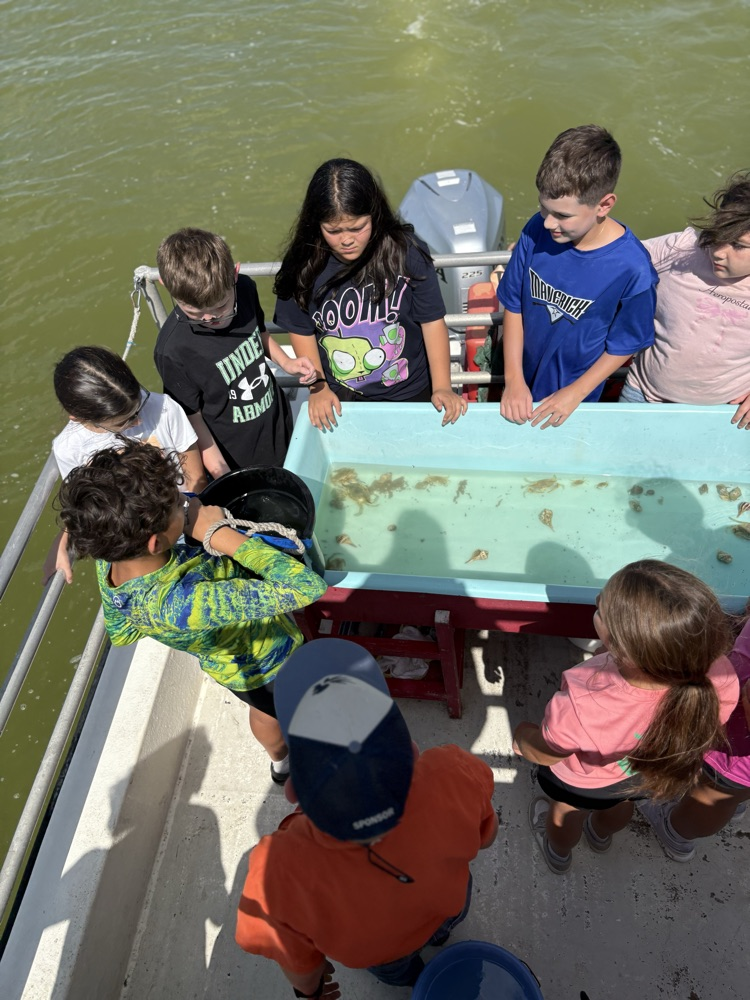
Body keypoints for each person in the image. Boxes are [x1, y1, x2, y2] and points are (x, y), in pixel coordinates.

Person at [235, 638, 497, 995]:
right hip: (448, 907)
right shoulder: (453, 770)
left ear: (293, 790)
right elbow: (486, 836)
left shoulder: (274, 870)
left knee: (400, 970)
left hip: (383, 954)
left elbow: (297, 961)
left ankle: (412, 979)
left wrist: (308, 992)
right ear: (412, 750)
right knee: (444, 924)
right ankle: (441, 935)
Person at [55, 441, 327, 781]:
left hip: (226, 668)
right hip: (269, 662)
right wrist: (218, 533)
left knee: (262, 710)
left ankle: (279, 761)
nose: (188, 507)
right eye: (179, 507)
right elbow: (307, 587)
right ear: (154, 541)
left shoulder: (110, 561)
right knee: (277, 712)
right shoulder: (180, 604)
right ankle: (284, 760)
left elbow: (121, 633)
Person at [512, 560, 739, 874]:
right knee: (621, 806)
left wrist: (523, 737)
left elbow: (547, 752)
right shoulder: (721, 675)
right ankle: (600, 835)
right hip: (644, 776)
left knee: (565, 813)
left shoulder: (582, 701)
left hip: (582, 782)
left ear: (623, 648)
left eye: (602, 610)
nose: (596, 603)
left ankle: (559, 852)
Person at [273, 158, 467, 431]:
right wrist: (318, 388)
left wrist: (443, 387)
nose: (347, 239)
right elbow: (301, 329)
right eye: (333, 230)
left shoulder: (407, 251)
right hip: (343, 398)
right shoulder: (302, 266)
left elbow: (431, 320)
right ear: (316, 224)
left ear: (375, 214)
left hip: (410, 391)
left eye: (357, 227)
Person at [496, 124, 658, 429]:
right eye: (544, 209)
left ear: (604, 205)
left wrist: (574, 394)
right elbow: (514, 305)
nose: (547, 223)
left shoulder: (633, 269)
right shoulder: (536, 229)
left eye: (563, 216)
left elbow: (625, 344)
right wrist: (514, 380)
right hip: (520, 376)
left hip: (574, 397)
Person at [154, 228, 316, 477]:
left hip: (278, 422)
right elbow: (193, 421)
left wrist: (287, 363)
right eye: (194, 312)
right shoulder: (172, 351)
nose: (209, 318)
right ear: (165, 285)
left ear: (235, 275)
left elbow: (259, 333)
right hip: (236, 456)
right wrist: (223, 474)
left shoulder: (246, 289)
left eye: (221, 306)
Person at [44, 345, 205, 585]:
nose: (139, 419)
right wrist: (64, 541)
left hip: (184, 522)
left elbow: (196, 478)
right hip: (133, 553)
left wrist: (187, 526)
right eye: (126, 421)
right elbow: (90, 505)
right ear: (77, 417)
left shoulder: (164, 408)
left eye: (139, 404)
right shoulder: (68, 448)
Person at [621, 171, 750, 427]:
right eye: (718, 235)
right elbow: (612, 256)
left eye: (737, 244)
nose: (719, 251)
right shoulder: (682, 249)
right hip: (642, 395)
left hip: (723, 414)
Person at [639, 617, 750, 862]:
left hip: (731, 750)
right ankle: (737, 799)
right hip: (736, 750)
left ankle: (676, 832)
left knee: (713, 800)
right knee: (733, 791)